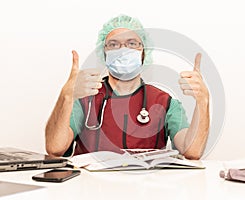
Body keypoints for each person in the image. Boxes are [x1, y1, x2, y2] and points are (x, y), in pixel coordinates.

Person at [45, 15, 210, 160]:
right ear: (104, 53)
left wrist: (203, 101)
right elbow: (55, 148)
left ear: (144, 52)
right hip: (90, 190)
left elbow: (192, 151)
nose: (123, 50)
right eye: (114, 44)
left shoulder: (165, 102)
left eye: (131, 43)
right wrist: (66, 96)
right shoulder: (85, 98)